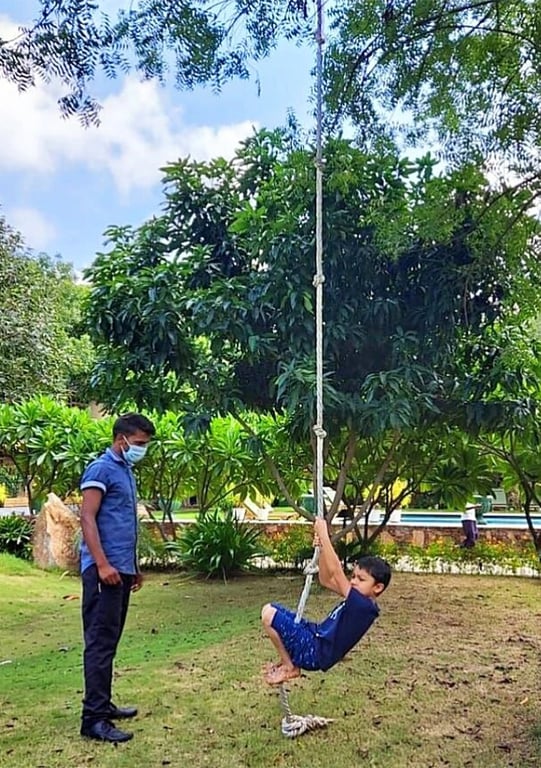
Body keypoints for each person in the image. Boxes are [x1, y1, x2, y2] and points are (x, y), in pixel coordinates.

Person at [79, 412, 155, 743]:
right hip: (102, 572)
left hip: (120, 570)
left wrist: (130, 567)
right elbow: (87, 517)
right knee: (99, 644)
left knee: (109, 641)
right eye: (139, 443)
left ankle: (102, 704)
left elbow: (123, 523)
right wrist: (103, 564)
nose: (142, 449)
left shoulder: (125, 470)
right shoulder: (101, 469)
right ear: (121, 439)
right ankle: (93, 719)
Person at [261, 517, 391, 685]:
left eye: (361, 579)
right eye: (353, 576)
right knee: (271, 608)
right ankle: (288, 661)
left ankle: (289, 666)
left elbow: (336, 571)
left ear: (378, 587)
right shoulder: (359, 600)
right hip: (313, 635)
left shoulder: (363, 607)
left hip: (315, 652)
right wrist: (322, 549)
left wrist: (324, 535)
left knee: (269, 615)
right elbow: (325, 580)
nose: (353, 581)